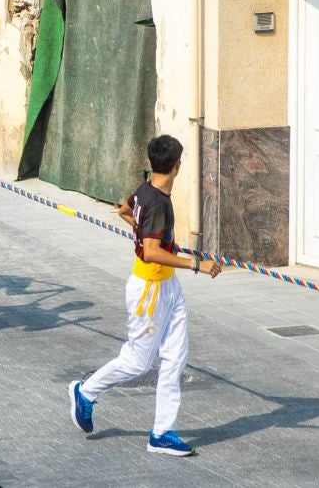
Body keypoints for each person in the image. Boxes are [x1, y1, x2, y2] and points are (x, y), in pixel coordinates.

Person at [68, 134, 224, 457]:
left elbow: (125, 211)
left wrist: (150, 240)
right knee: (138, 362)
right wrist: (196, 263)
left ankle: (162, 432)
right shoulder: (157, 204)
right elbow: (151, 253)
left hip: (168, 288)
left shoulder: (144, 191)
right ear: (178, 165)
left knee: (175, 357)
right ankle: (85, 392)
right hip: (149, 291)